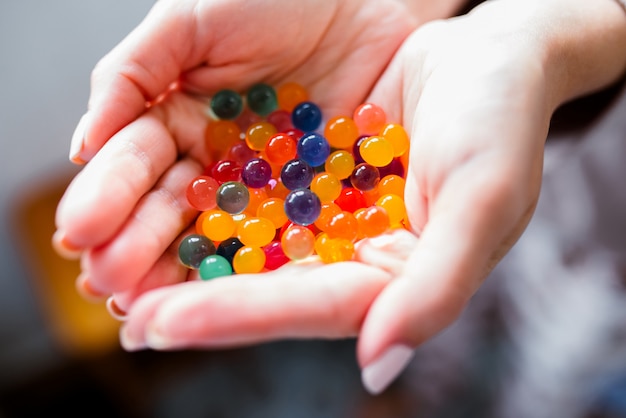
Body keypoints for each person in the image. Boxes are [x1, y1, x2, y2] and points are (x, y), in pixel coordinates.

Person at [53, 0, 626, 400]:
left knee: (562, 351)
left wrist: (540, 38)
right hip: (461, 152)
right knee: (443, 288)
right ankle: (427, 394)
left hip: (608, 243)